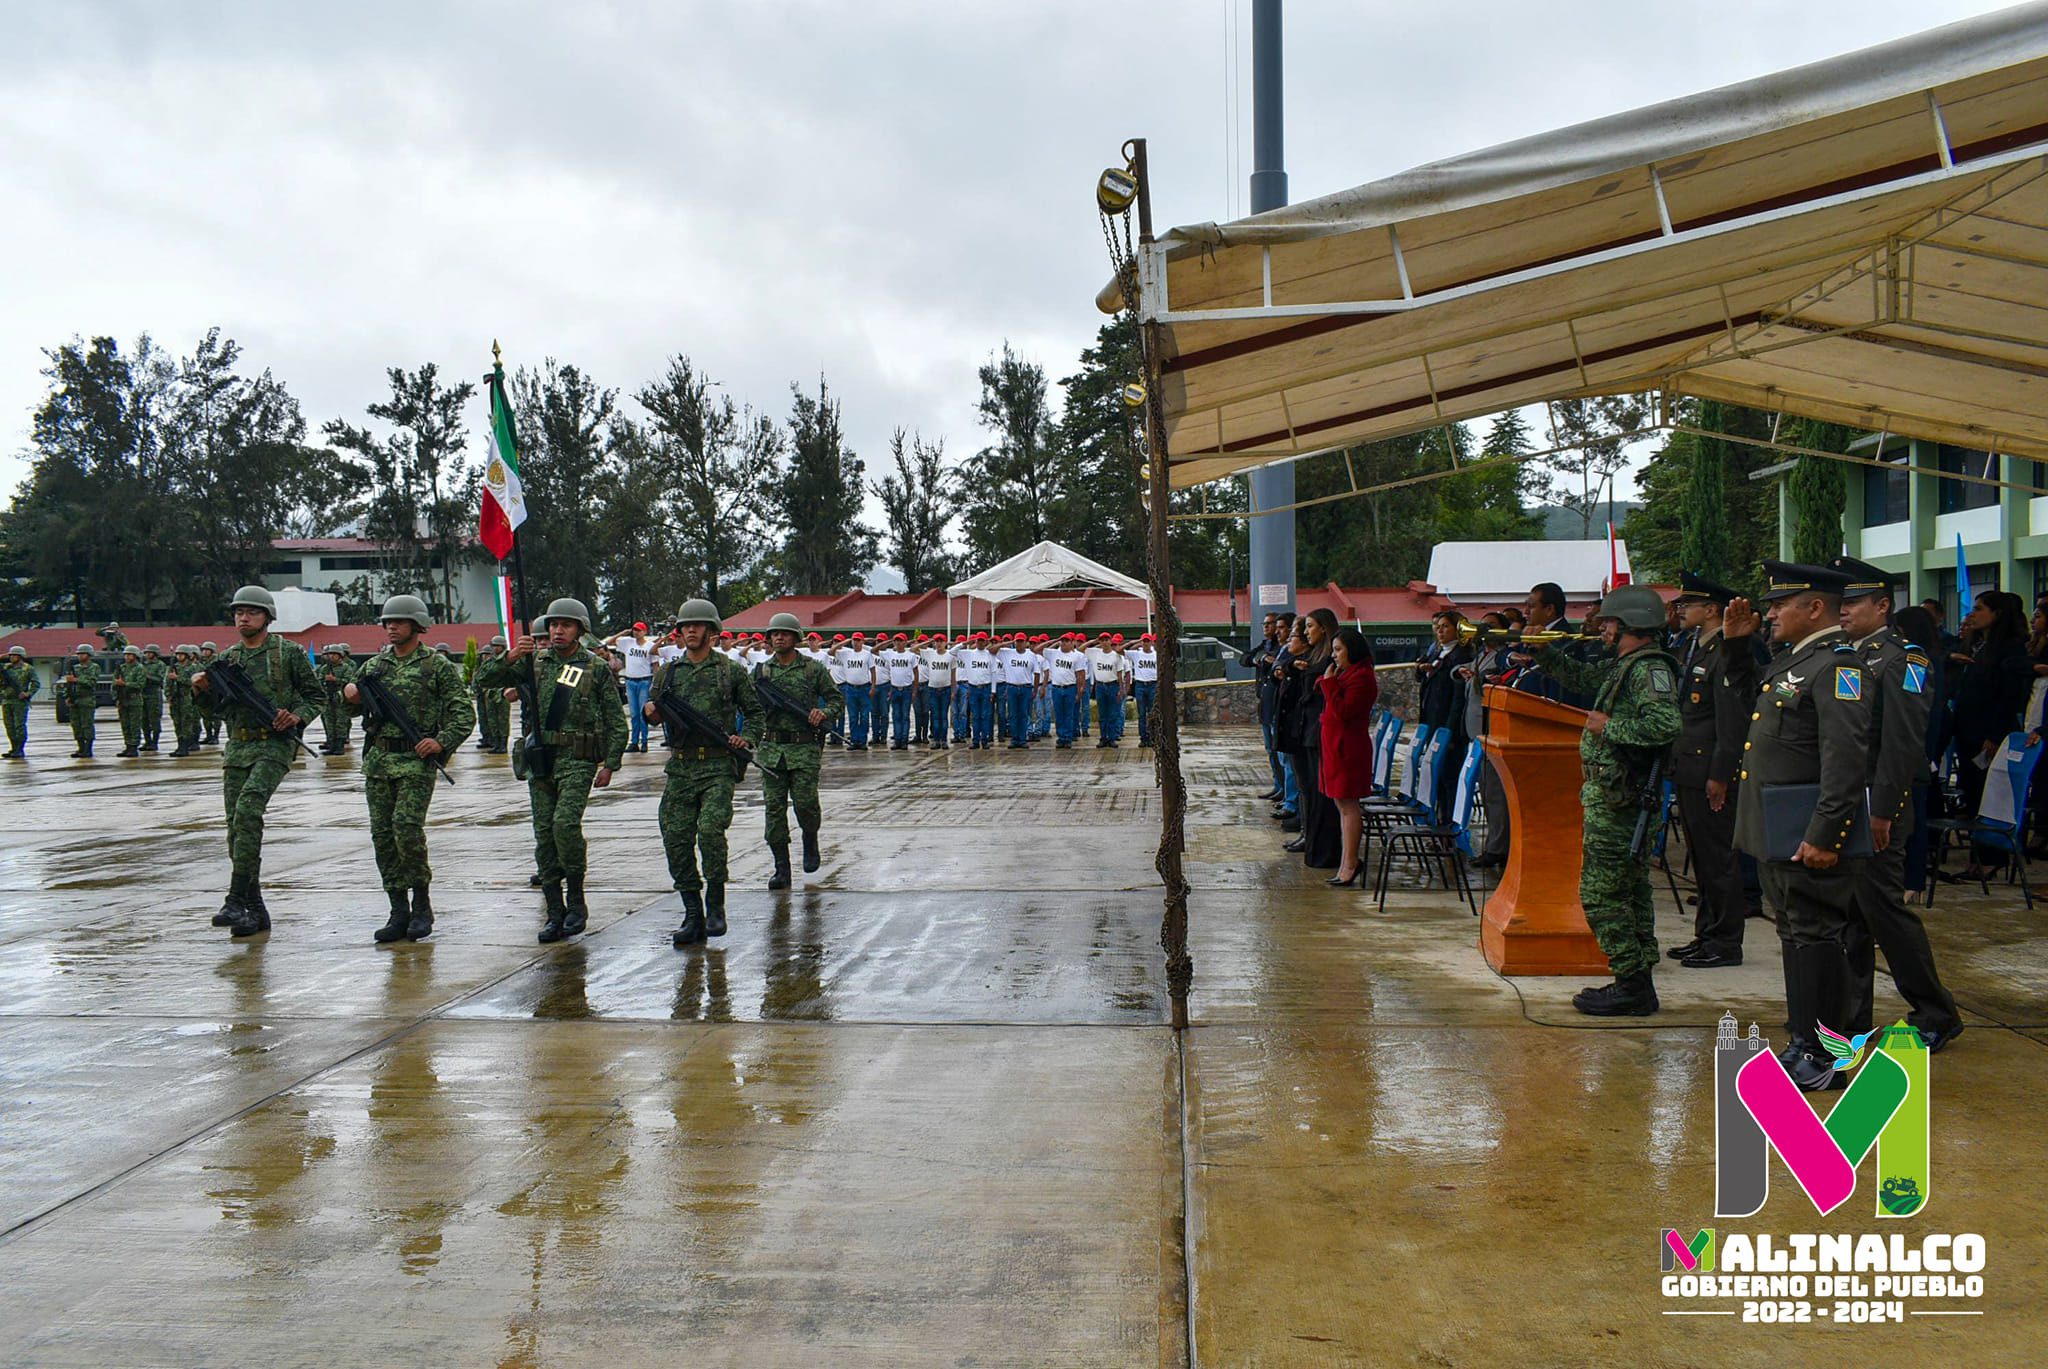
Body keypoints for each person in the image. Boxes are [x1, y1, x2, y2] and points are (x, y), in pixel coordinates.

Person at [1723, 563, 1872, 1089]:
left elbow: (1846, 760)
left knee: (1819, 938)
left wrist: (1827, 834)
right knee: (1796, 935)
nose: (1768, 614)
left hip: (1808, 831)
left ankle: (1828, 1053)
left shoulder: (1837, 668)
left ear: (1814, 609)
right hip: (1779, 828)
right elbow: (1749, 712)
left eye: (1780, 605)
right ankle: (1803, 1041)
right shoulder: (1797, 662)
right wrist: (1739, 650)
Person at [1827, 557, 1964, 1051]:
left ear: (1883, 606)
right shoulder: (1848, 654)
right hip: (1847, 801)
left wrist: (1882, 809)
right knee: (1850, 913)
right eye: (1839, 603)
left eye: (1853, 603)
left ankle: (1935, 1011)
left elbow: (1903, 744)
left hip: (1877, 802)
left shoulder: (1903, 660)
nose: (1843, 612)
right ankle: (1850, 1016)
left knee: (1884, 912)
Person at [1528, 586, 1682, 1015]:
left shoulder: (1648, 670)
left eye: (1610, 623)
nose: (1603, 629)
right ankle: (1636, 981)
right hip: (1615, 798)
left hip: (1623, 801)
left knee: (1603, 894)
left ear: (1632, 626)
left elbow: (1665, 726)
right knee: (1629, 893)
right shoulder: (1625, 666)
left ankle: (1631, 981)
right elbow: (1582, 679)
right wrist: (1542, 651)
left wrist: (1609, 727)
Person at [480, 597, 628, 944]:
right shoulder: (535, 664)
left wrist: (611, 763)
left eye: (565, 625)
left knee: (564, 825)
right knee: (544, 836)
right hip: (541, 758)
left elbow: (614, 720)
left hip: (578, 760)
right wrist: (512, 656)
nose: (557, 631)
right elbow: (485, 679)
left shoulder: (593, 667)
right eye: (553, 625)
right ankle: (554, 911)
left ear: (580, 630)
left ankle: (576, 902)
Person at [191, 585, 323, 938]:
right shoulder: (226, 660)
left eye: (251, 612)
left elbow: (316, 697)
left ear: (267, 617)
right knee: (236, 829)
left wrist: (295, 717)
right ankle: (255, 908)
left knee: (249, 811)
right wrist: (200, 690)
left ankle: (236, 899)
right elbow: (215, 712)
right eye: (238, 612)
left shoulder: (288, 652)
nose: (243, 618)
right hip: (238, 748)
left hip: (274, 746)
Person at [343, 595, 474, 944]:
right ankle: (397, 909)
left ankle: (421, 903)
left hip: (416, 762)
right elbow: (351, 711)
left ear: (416, 625)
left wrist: (441, 742)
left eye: (398, 622)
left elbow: (464, 714)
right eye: (387, 622)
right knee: (383, 837)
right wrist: (349, 697)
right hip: (378, 763)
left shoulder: (437, 666)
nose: (391, 627)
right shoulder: (373, 666)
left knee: (406, 829)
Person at [650, 599, 757, 945]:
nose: (691, 630)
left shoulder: (730, 671)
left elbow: (755, 713)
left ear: (712, 632)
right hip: (681, 767)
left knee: (710, 830)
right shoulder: (669, 673)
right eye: (686, 626)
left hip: (717, 766)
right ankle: (692, 912)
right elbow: (654, 710)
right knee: (675, 838)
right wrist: (651, 711)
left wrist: (747, 738)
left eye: (698, 626)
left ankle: (715, 905)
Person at [1665, 573, 1751, 970]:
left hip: (1710, 769)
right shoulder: (1697, 649)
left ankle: (1725, 941)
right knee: (1702, 857)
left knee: (1719, 859)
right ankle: (1706, 933)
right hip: (1689, 766)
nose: (1681, 610)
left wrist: (1721, 774)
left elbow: (1731, 722)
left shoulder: (1726, 652)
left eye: (1689, 604)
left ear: (1713, 609)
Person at [753, 611, 844, 891]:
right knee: (774, 811)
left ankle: (810, 837)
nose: (779, 637)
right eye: (774, 633)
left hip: (804, 748)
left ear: (795, 638)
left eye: (785, 633)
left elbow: (835, 699)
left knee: (805, 805)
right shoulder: (760, 672)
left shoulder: (812, 669)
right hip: (771, 750)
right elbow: (746, 706)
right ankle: (781, 868)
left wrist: (823, 712)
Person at [1318, 627, 1383, 885]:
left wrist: (1329, 684)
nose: (1334, 655)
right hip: (1337, 746)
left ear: (1351, 650)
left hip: (1348, 748)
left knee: (1348, 806)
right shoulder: (1349, 673)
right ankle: (1348, 861)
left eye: (1338, 650)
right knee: (1341, 805)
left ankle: (1350, 863)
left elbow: (1344, 711)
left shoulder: (1362, 677)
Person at [1294, 610, 1344, 869]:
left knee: (1323, 796)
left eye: (1310, 626)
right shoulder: (1312, 658)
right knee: (1313, 793)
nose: (1306, 632)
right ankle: (1316, 848)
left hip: (1322, 731)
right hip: (1310, 731)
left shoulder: (1328, 663)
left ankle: (1328, 853)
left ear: (1324, 628)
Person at [1414, 610, 1471, 818]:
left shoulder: (1461, 656)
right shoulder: (1436, 652)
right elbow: (1421, 676)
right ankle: (1437, 820)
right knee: (1435, 776)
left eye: (1445, 626)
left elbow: (1458, 700)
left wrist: (1450, 731)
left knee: (1449, 778)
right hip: (1432, 720)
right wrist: (1421, 668)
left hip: (1448, 725)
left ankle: (1449, 825)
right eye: (1438, 626)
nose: (1440, 630)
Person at [1243, 613, 1286, 798]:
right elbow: (1244, 658)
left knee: (1281, 751)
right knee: (1270, 750)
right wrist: (1258, 660)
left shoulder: (1282, 649)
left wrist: (1270, 660)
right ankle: (1278, 784)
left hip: (1276, 703)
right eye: (1265, 624)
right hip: (1265, 703)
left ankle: (1286, 790)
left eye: (1272, 624)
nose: (1267, 627)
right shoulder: (1263, 646)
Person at [606, 622, 656, 753]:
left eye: (639, 630)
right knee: (633, 714)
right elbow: (609, 642)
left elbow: (655, 664)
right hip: (630, 681)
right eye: (634, 630)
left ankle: (644, 741)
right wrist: (624, 632)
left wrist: (655, 683)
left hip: (644, 680)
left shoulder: (650, 646)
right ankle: (634, 742)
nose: (636, 632)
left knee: (642, 713)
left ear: (644, 632)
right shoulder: (628, 642)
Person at [1088, 631, 1128, 748]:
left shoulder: (1117, 656)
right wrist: (1093, 641)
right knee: (1102, 714)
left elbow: (1120, 673)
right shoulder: (1095, 653)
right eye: (1102, 640)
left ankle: (1112, 738)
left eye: (1107, 640)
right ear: (1100, 642)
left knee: (1113, 713)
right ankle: (1103, 737)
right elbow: (1080, 649)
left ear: (1111, 641)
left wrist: (1121, 689)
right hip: (1100, 686)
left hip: (1113, 685)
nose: (1105, 642)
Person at [1046, 633, 1087, 748]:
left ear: (1072, 642)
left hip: (1070, 687)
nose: (1063, 643)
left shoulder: (1077, 656)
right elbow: (1036, 649)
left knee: (1069, 714)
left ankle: (1068, 738)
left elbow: (1080, 674)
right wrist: (1055, 640)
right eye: (1062, 640)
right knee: (1059, 715)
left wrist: (1080, 690)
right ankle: (1061, 737)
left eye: (1066, 641)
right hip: (1056, 687)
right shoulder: (1054, 653)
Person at [998, 632, 1036, 748]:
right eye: (1017, 641)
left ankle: (1022, 739)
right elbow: (991, 650)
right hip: (1012, 687)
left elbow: (1037, 672)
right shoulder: (1007, 653)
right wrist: (1009, 642)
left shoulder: (1030, 654)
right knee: (1013, 715)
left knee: (1024, 715)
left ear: (1026, 643)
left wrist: (1035, 689)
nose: (1019, 644)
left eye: (1021, 641)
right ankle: (1015, 739)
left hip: (1026, 687)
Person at [880, 632, 919, 750]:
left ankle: (904, 740)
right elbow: (874, 651)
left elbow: (916, 674)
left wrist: (914, 691)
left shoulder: (911, 656)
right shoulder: (890, 654)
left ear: (905, 642)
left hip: (907, 689)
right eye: (896, 640)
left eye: (900, 640)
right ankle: (897, 740)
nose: (898, 642)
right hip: (894, 689)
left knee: (905, 716)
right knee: (896, 716)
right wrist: (889, 641)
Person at [318, 644, 358, 754]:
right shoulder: (324, 669)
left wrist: (336, 680)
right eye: (329, 654)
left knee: (341, 721)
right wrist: (325, 680)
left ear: (340, 655)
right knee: (329, 721)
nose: (331, 656)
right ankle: (331, 744)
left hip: (340, 698)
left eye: (333, 654)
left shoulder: (346, 668)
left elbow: (349, 681)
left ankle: (340, 746)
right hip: (328, 698)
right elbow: (319, 681)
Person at [838, 632, 876, 750]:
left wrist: (873, 686)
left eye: (858, 640)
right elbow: (831, 651)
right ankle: (854, 741)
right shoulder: (846, 653)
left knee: (864, 716)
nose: (856, 642)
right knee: (853, 716)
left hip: (864, 688)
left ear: (862, 642)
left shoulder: (867, 654)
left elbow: (873, 671)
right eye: (854, 640)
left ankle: (863, 741)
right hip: (850, 688)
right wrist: (847, 640)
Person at [474, 636, 511, 753]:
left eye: (497, 646)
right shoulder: (491, 661)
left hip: (502, 693)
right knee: (492, 720)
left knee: (503, 720)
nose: (494, 648)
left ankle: (503, 745)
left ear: (503, 646)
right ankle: (496, 744)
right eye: (493, 646)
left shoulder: (508, 660)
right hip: (490, 693)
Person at [1, 645, 38, 758]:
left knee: (19, 726)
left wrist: (28, 694)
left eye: (14, 655)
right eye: (11, 655)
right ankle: (13, 747)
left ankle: (19, 749)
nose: (12, 657)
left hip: (19, 702)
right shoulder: (6, 668)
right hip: (7, 700)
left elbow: (36, 683)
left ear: (20, 656)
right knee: (9, 726)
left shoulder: (28, 669)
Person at [111, 643, 147, 757]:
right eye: (126, 655)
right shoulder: (121, 668)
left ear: (135, 656)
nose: (127, 657)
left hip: (134, 700)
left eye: (129, 655)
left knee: (134, 725)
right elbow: (114, 683)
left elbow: (140, 684)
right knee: (125, 725)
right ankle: (127, 745)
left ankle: (134, 746)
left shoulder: (139, 668)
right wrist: (116, 697)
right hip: (123, 700)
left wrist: (125, 684)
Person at [922, 633, 957, 748]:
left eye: (941, 641)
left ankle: (943, 740)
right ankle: (936, 740)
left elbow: (953, 674)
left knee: (943, 716)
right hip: (932, 689)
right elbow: (913, 649)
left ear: (945, 643)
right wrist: (929, 641)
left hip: (946, 689)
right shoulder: (930, 654)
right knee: (935, 716)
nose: (939, 643)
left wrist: (953, 690)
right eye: (937, 641)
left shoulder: (950, 656)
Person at [168, 644, 202, 757]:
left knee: (186, 723)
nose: (179, 656)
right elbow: (167, 682)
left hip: (188, 698)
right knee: (177, 723)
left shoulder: (193, 667)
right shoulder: (174, 667)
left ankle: (185, 746)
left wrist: (178, 678)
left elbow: (193, 681)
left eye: (181, 654)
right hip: (175, 698)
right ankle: (180, 745)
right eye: (177, 654)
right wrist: (168, 695)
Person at [1127, 632, 1160, 746]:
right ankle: (1143, 737)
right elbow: (1121, 650)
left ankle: (1152, 737)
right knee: (1141, 713)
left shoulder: (1156, 655)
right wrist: (1136, 642)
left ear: (1151, 642)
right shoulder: (1137, 654)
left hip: (1152, 685)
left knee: (1152, 713)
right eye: (1144, 641)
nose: (1146, 643)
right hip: (1140, 685)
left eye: (1147, 641)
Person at [140, 643, 167, 752]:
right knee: (144, 720)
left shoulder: (160, 665)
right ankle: (147, 741)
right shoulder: (143, 665)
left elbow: (159, 679)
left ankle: (154, 742)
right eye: (146, 653)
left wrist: (147, 676)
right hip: (143, 694)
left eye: (149, 653)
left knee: (154, 719)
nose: (147, 655)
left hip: (154, 694)